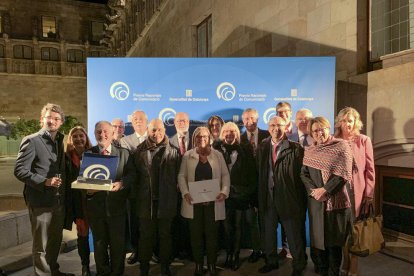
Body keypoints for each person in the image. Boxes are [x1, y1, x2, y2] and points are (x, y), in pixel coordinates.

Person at [14, 103, 74, 276]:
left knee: (55, 241)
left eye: (56, 118)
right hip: (40, 201)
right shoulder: (31, 140)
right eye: (49, 117)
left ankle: (53, 271)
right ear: (42, 119)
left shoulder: (60, 141)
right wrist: (44, 182)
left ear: (61, 122)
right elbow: (19, 170)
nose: (52, 121)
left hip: (57, 201)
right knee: (41, 245)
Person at [301, 117, 353, 276]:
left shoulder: (341, 146)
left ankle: (334, 272)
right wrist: (314, 191)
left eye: (322, 128)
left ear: (328, 128)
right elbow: (304, 174)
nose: (319, 133)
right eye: (315, 130)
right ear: (311, 133)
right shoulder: (310, 150)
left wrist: (325, 190)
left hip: (337, 205)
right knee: (319, 244)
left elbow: (344, 174)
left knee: (334, 245)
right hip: (317, 204)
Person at [128, 118, 181, 276]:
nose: (156, 133)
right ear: (148, 131)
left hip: (167, 202)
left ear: (164, 131)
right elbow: (134, 177)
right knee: (145, 237)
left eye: (159, 130)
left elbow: (179, 177)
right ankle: (144, 268)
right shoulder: (138, 151)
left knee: (165, 237)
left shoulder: (175, 151)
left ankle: (165, 267)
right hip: (145, 203)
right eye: (153, 130)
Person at [257, 116, 307, 275]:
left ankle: (298, 266)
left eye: (279, 125)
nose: (275, 128)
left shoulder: (296, 148)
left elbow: (302, 177)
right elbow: (258, 173)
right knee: (269, 235)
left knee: (294, 236)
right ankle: (271, 261)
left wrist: (299, 201)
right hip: (268, 198)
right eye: (272, 125)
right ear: (268, 127)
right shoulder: (262, 147)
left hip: (288, 199)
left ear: (286, 127)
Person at [178, 127, 230, 276]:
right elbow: (181, 176)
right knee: (196, 237)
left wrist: (223, 192)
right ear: (194, 138)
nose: (202, 139)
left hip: (213, 204)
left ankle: (212, 265)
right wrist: (185, 193)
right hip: (193, 204)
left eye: (205, 136)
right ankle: (199, 265)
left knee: (212, 236)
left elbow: (225, 176)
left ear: (209, 138)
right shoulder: (188, 155)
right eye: (199, 136)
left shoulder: (218, 155)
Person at [334, 107, 375, 276]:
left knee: (354, 231)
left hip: (357, 192)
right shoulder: (334, 139)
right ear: (339, 122)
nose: (347, 124)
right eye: (343, 120)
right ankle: (345, 261)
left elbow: (370, 169)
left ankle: (354, 265)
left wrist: (369, 193)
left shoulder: (364, 140)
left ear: (355, 122)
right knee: (341, 231)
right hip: (338, 192)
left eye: (350, 120)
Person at [86, 121, 131, 276]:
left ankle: (117, 273)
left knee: (118, 246)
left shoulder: (124, 153)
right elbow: (81, 181)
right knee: (99, 245)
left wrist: (122, 183)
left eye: (105, 131)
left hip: (117, 209)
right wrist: (88, 192)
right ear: (94, 134)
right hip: (96, 210)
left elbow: (132, 176)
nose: (102, 135)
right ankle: (102, 273)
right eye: (98, 132)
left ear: (113, 134)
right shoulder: (88, 154)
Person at [212, 122, 256, 271]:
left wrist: (245, 191)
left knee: (237, 226)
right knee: (226, 227)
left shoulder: (245, 149)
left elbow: (251, 172)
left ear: (237, 134)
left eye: (233, 131)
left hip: (239, 195)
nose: (229, 134)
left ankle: (235, 256)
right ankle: (228, 253)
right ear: (222, 133)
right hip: (221, 195)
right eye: (226, 131)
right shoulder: (215, 149)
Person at [240, 108, 268, 262]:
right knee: (252, 222)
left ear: (258, 119)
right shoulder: (239, 138)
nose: (249, 121)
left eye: (252, 118)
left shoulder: (268, 135)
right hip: (249, 188)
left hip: (267, 186)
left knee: (267, 220)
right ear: (242, 121)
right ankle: (256, 250)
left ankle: (268, 250)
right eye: (246, 119)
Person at [120, 110, 148, 264]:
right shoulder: (126, 140)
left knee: (149, 223)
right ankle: (136, 250)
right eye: (135, 119)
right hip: (133, 190)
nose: (138, 121)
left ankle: (151, 251)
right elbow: (129, 163)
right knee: (135, 223)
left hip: (151, 190)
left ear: (146, 121)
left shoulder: (153, 137)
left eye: (141, 119)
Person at [65, 126, 93, 276]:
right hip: (78, 204)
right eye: (74, 136)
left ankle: (103, 264)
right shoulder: (66, 158)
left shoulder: (95, 154)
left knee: (102, 236)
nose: (78, 139)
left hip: (95, 203)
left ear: (86, 138)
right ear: (70, 140)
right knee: (82, 237)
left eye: (81, 136)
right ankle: (85, 267)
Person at [170, 112, 192, 260]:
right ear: (174, 123)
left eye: (184, 120)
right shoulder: (168, 141)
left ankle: (192, 251)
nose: (181, 123)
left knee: (192, 222)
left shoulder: (198, 139)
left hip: (195, 189)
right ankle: (178, 250)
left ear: (189, 122)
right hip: (174, 190)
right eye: (178, 121)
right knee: (177, 221)